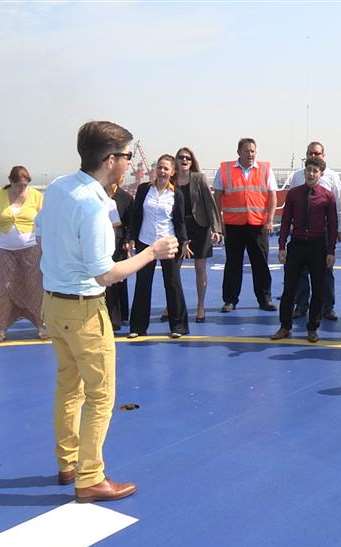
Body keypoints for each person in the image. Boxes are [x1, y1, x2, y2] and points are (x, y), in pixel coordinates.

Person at [37, 120, 178, 502]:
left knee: (69, 386)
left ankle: (67, 462)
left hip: (54, 302)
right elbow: (106, 274)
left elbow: (40, 236)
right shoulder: (95, 204)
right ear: (110, 159)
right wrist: (154, 251)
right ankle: (90, 477)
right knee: (100, 396)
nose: (130, 163)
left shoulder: (59, 188)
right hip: (83, 309)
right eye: (127, 156)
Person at [271, 157, 337, 342]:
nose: (311, 174)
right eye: (308, 170)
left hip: (318, 246)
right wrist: (282, 246)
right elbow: (285, 221)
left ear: (321, 174)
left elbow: (332, 225)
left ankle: (312, 328)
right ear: (304, 171)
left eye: (315, 171)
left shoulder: (327, 196)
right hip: (297, 245)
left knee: (318, 289)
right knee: (289, 289)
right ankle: (285, 327)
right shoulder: (294, 194)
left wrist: (331, 250)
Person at [127, 154, 189, 338]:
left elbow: (179, 221)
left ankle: (178, 326)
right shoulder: (144, 189)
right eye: (160, 167)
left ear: (172, 172)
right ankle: (138, 327)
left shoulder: (176, 194)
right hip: (145, 242)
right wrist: (131, 238)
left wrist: (183, 242)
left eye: (166, 169)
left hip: (167, 243)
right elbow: (136, 215)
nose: (162, 171)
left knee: (173, 283)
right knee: (142, 283)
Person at [214, 138, 277, 313]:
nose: (250, 154)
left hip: (258, 225)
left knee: (261, 264)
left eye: (253, 151)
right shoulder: (225, 170)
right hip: (233, 225)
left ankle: (265, 299)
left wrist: (270, 220)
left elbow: (272, 197)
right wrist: (218, 223)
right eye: (247, 151)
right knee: (233, 264)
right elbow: (217, 197)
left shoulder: (265, 169)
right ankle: (230, 300)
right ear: (238, 152)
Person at [287, 142, 341, 321]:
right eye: (310, 153)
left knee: (325, 272)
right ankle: (301, 305)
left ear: (324, 155)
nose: (314, 155)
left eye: (317, 153)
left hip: (324, 233)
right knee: (300, 273)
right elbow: (292, 203)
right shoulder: (297, 176)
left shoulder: (333, 177)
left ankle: (327, 307)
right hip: (300, 235)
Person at [174, 147, 222, 322]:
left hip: (199, 226)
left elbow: (210, 204)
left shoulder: (199, 178)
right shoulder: (171, 180)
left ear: (192, 161)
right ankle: (171, 304)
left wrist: (216, 229)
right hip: (177, 228)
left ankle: (200, 306)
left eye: (188, 158)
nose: (184, 160)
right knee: (173, 268)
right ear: (176, 161)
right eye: (181, 157)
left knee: (200, 268)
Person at [0, 165, 46, 341]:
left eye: (25, 185)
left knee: (34, 287)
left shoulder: (36, 196)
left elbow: (44, 221)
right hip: (4, 250)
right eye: (18, 185)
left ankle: (41, 325)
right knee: (4, 288)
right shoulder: (1, 195)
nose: (22, 188)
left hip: (31, 248)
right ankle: (2, 327)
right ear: (11, 182)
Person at [104, 177, 133, 331]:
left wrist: (128, 241)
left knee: (118, 281)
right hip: (101, 242)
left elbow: (130, 223)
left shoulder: (126, 198)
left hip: (118, 243)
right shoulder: (98, 195)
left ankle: (118, 316)